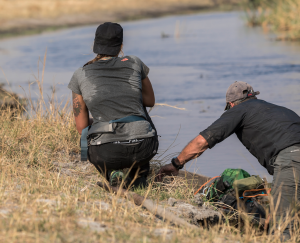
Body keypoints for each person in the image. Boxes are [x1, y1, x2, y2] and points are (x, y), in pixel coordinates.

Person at [157, 81, 300, 240]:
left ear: (231, 104)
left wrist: (176, 164)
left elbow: (202, 142)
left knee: (283, 228)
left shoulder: (239, 110)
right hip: (292, 160)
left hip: (292, 160)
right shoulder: (279, 110)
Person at [68, 22, 158, 188]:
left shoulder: (80, 74)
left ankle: (110, 172)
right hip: (144, 147)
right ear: (121, 46)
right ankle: (139, 172)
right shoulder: (135, 62)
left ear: (94, 45)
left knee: (94, 134)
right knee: (139, 110)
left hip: (105, 152)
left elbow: (81, 128)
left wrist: (102, 119)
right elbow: (150, 101)